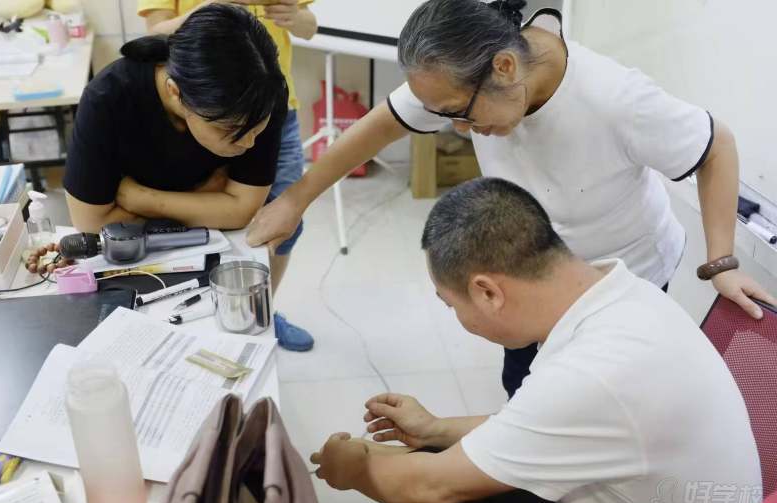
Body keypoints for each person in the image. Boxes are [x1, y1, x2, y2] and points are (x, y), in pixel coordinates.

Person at [245, 0, 777, 390]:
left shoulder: (615, 99)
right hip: (532, 266)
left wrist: (721, 263)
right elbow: (381, 124)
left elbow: (717, 146)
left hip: (621, 276)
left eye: (460, 113)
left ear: (503, 67)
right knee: (525, 385)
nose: (457, 128)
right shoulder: (459, 74)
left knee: (597, 397)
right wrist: (296, 200)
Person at [310, 178, 762, 503]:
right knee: (433, 464)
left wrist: (354, 469)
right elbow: (541, 423)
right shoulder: (622, 295)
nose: (457, 319)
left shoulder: (592, 373)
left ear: (487, 292)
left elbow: (433, 488)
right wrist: (435, 429)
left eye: (451, 305)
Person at [63, 3, 310, 350]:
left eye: (258, 130)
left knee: (239, 330)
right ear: (175, 91)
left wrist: (139, 198)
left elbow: (242, 210)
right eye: (231, 131)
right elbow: (92, 225)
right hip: (136, 267)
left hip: (215, 251)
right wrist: (211, 196)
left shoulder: (262, 92)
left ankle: (268, 311)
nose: (249, 144)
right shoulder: (109, 98)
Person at [136, 0, 317, 351]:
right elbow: (154, 34)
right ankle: (208, 314)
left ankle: (262, 308)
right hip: (211, 112)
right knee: (208, 222)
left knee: (284, 224)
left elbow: (309, 27)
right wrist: (213, 13)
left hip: (274, 111)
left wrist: (294, 17)